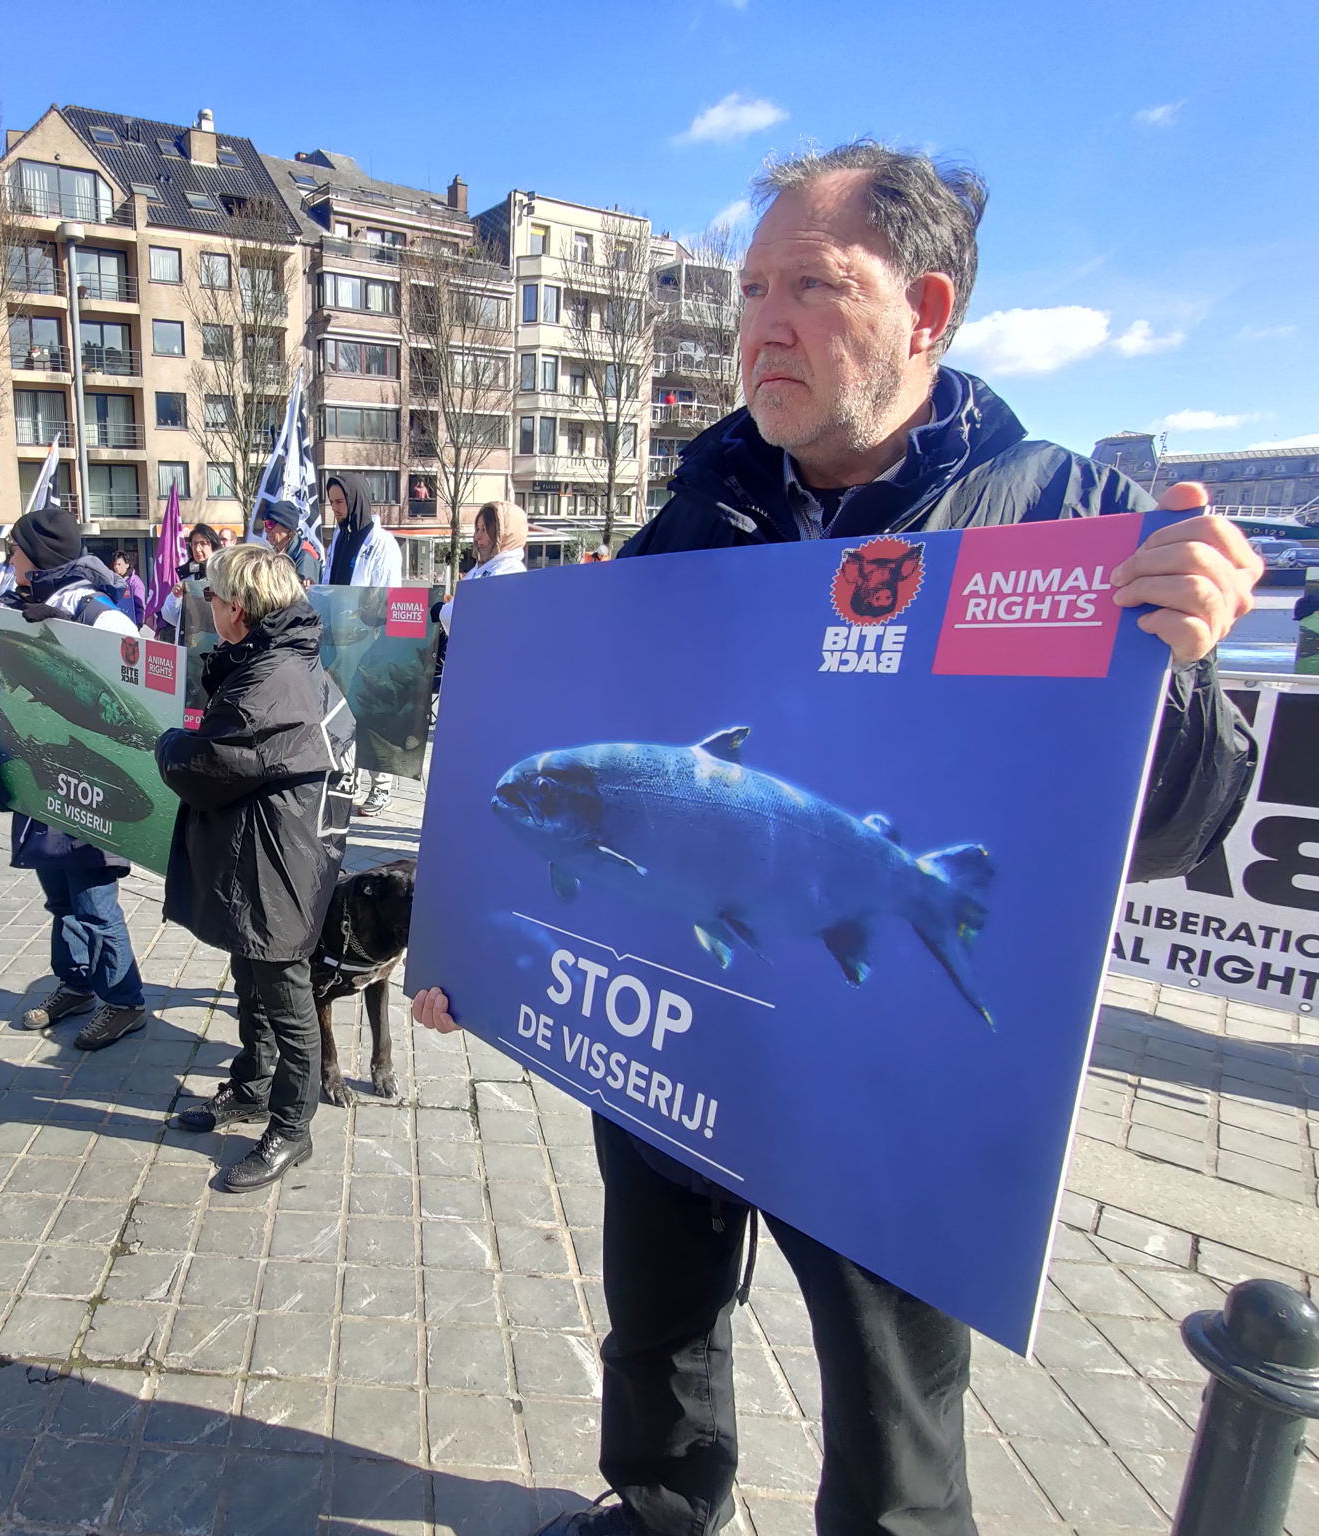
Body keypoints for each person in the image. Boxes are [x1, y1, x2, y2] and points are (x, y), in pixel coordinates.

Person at [412, 141, 1261, 1536]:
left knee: (891, 1410)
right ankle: (660, 1505)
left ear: (925, 311)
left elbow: (1169, 830)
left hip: (858, 1078)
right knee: (656, 1304)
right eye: (749, 291)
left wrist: (1181, 659)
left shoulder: (1068, 516)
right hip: (676, 1027)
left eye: (809, 285)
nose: (760, 326)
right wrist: (475, 959)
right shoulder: (698, 510)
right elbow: (604, 769)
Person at [158, 545, 355, 1190]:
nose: (208, 606)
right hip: (274, 847)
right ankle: (253, 1084)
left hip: (280, 858)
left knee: (285, 992)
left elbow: (210, 764)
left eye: (212, 597)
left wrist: (168, 744)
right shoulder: (278, 660)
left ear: (238, 608)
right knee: (252, 974)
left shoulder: (270, 681)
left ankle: (292, 1129)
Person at [0, 499, 150, 1051]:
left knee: (94, 901)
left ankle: (125, 1002)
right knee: (60, 897)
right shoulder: (24, 607)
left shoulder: (96, 609)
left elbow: (139, 668)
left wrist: (71, 631)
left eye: (15, 552)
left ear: (38, 556)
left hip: (90, 786)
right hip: (45, 784)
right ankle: (76, 984)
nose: (10, 561)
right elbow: (2, 694)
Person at [322, 475, 404, 815]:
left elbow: (389, 593)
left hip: (370, 639)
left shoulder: (381, 543)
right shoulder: (339, 539)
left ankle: (381, 785)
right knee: (346, 713)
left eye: (340, 502)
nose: (336, 509)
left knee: (371, 713)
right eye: (332, 503)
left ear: (356, 500)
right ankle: (351, 778)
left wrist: (381, 635)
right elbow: (329, 586)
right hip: (341, 641)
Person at [440, 501, 529, 634]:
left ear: (502, 534)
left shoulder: (510, 572)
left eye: (485, 529)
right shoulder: (481, 569)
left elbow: (471, 616)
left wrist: (443, 610)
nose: (478, 537)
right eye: (477, 529)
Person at [157, 524, 219, 638]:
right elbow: (170, 616)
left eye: (203, 543)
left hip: (217, 638)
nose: (197, 549)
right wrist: (175, 596)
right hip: (190, 640)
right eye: (194, 544)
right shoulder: (187, 575)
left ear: (213, 545)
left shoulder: (222, 574)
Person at [260, 501, 324, 586]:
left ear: (287, 527)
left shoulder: (305, 559)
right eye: (265, 524)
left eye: (270, 524)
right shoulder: (273, 554)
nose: (266, 529)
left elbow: (303, 593)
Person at [110, 550, 149, 629]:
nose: (116, 567)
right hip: (116, 622)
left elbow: (139, 604)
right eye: (115, 564)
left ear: (127, 565)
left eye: (119, 564)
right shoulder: (112, 581)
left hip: (131, 622)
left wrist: (138, 623)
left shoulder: (135, 582)